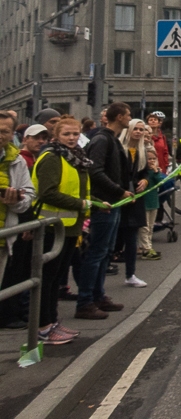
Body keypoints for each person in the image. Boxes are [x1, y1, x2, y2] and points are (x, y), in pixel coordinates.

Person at [32, 116, 97, 343]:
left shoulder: (75, 158)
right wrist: (81, 205)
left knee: (58, 278)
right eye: (66, 134)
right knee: (48, 279)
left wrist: (95, 203)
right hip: (51, 227)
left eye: (75, 134)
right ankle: (44, 327)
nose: (71, 138)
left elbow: (78, 190)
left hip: (69, 227)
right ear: (56, 136)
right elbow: (47, 193)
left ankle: (53, 322)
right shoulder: (51, 157)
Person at [77, 102, 133, 320]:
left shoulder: (111, 139)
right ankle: (85, 301)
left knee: (106, 252)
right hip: (104, 205)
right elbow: (95, 171)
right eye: (128, 115)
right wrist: (119, 191)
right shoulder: (102, 140)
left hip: (113, 204)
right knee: (96, 253)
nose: (130, 118)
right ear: (119, 117)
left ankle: (98, 296)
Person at [0, 115, 34, 292]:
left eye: (4, 131)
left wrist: (15, 202)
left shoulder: (17, 161)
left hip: (5, 237)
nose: (0, 136)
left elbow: (28, 195)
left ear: (12, 134)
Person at [117, 119, 152, 288]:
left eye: (141, 129)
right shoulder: (118, 149)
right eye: (135, 129)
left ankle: (130, 274)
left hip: (136, 199)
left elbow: (145, 173)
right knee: (114, 239)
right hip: (120, 198)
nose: (138, 132)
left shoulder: (141, 151)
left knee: (132, 238)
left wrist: (145, 181)